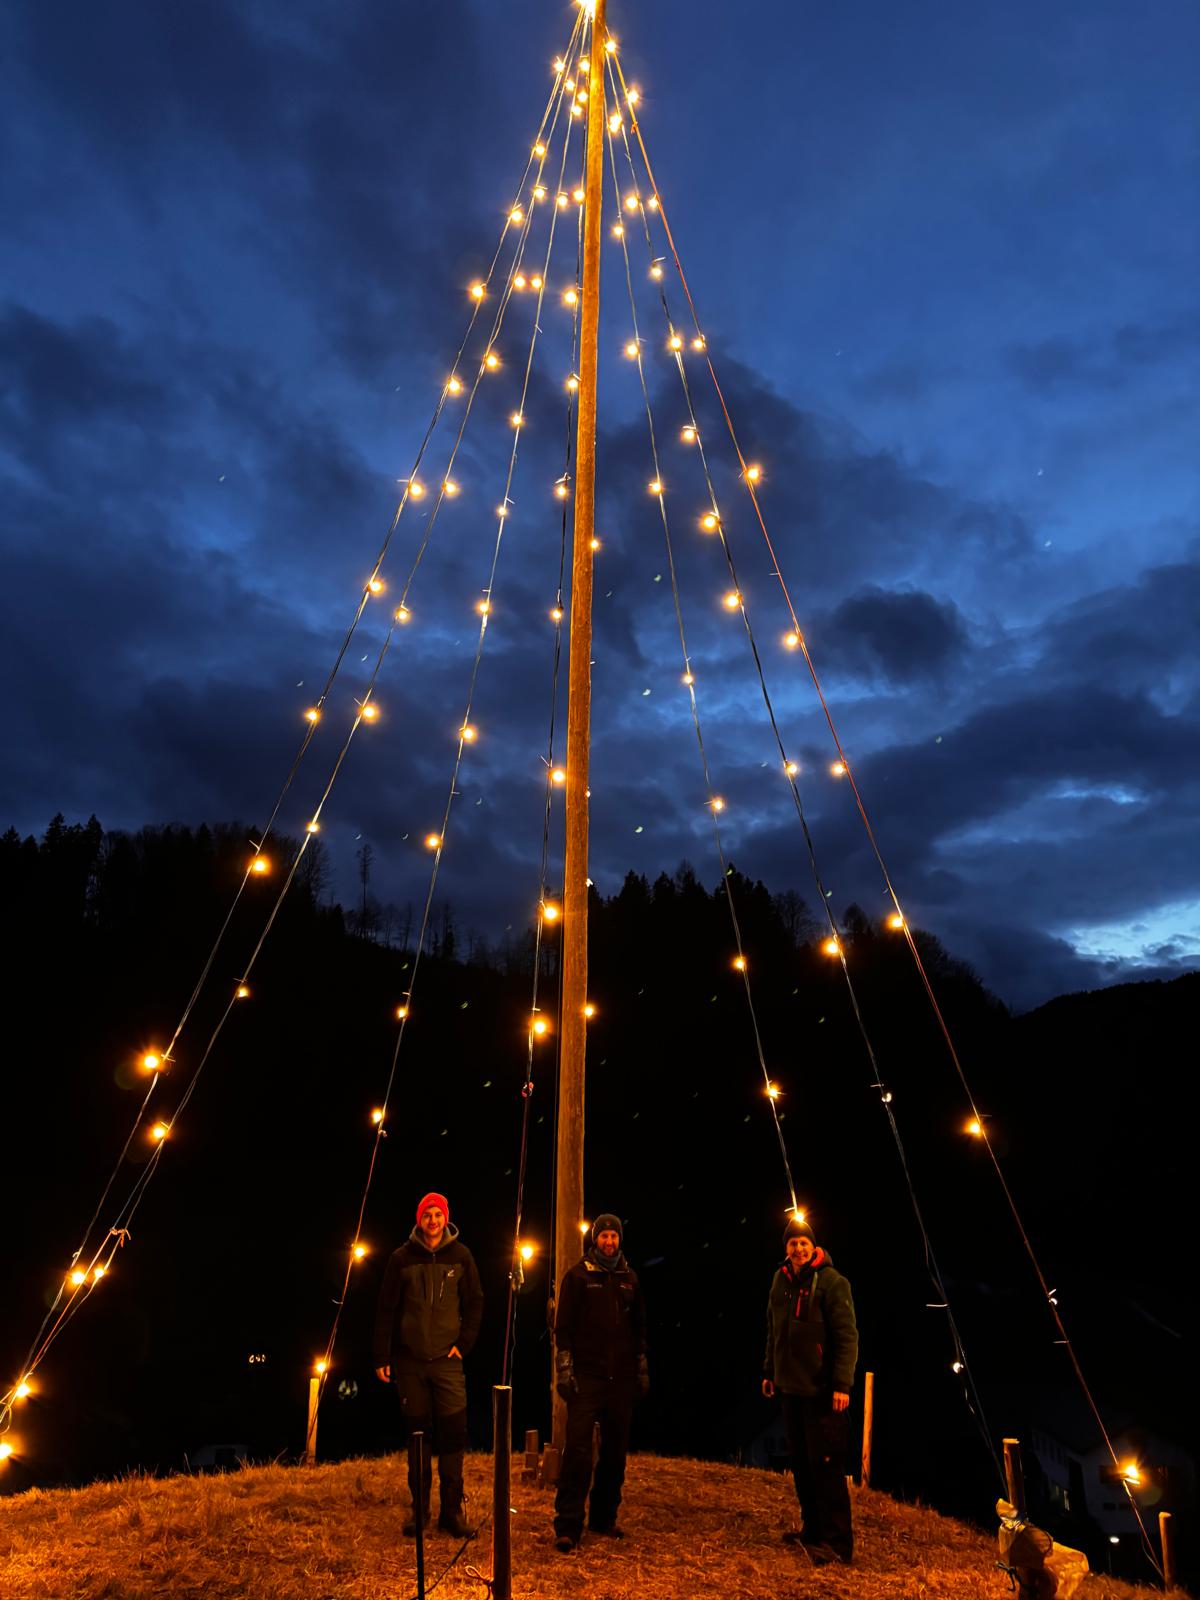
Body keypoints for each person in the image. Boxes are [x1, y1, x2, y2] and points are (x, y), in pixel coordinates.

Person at [374, 1191, 484, 1538]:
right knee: (418, 1436)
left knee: (453, 1436)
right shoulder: (401, 1258)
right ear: (419, 1220)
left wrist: (464, 1344)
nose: (433, 1221)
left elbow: (475, 1302)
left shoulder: (461, 1256)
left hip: (448, 1362)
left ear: (445, 1218)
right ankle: (419, 1512)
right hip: (410, 1361)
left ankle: (451, 1513)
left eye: (437, 1215)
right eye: (427, 1215)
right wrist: (381, 1355)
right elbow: (386, 1309)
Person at [762, 1214, 858, 1565]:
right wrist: (770, 1370)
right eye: (793, 1243)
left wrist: (842, 1384)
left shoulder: (833, 1282)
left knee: (827, 1467)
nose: (798, 1249)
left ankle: (838, 1544)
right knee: (801, 1464)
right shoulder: (781, 1280)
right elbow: (773, 1329)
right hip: (791, 1389)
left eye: (804, 1243)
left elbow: (847, 1337)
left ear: (813, 1246)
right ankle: (813, 1531)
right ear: (786, 1248)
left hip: (823, 1391)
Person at [552, 1213, 649, 1552]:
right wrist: (564, 1370)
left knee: (614, 1454)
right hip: (587, 1378)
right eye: (604, 1236)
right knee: (578, 1452)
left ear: (620, 1240)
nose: (609, 1241)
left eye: (614, 1236)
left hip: (620, 1379)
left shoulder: (629, 1278)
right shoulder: (579, 1276)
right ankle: (568, 1525)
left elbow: (639, 1328)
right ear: (595, 1240)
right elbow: (563, 1328)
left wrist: (641, 1368)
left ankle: (604, 1518)